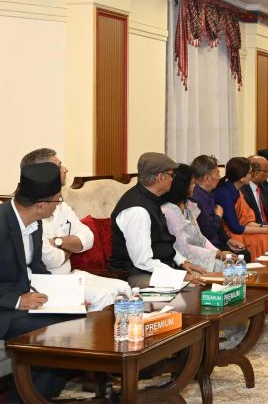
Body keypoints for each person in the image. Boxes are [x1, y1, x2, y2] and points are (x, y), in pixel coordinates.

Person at [0, 162, 83, 402]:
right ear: (41, 205)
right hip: (5, 308)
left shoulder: (34, 223)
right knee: (54, 331)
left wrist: (66, 295)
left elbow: (36, 269)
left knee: (76, 318)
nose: (59, 205)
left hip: (23, 301)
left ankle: (42, 396)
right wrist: (17, 301)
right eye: (58, 200)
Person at [20, 149, 129, 311]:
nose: (65, 169)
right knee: (102, 296)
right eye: (59, 166)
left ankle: (125, 327)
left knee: (124, 289)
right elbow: (51, 259)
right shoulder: (32, 209)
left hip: (71, 275)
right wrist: (71, 246)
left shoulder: (61, 204)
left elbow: (88, 237)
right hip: (47, 283)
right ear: (42, 173)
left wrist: (58, 242)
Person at [111, 152, 208, 288]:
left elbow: (160, 242)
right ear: (160, 177)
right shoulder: (138, 210)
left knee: (204, 278)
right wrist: (179, 276)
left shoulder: (151, 199)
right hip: (136, 275)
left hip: (157, 269)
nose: (173, 180)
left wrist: (182, 261)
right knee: (194, 286)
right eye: (172, 175)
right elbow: (142, 261)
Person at [161, 164, 226, 273]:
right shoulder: (169, 210)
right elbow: (182, 247)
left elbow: (199, 236)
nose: (195, 186)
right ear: (182, 187)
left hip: (200, 253)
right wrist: (216, 254)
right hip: (181, 261)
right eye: (192, 184)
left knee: (228, 264)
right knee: (223, 267)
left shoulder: (187, 204)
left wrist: (218, 252)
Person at [213, 157, 268, 258]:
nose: (252, 175)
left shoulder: (236, 190)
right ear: (242, 177)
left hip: (240, 230)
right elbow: (236, 228)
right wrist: (267, 230)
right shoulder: (224, 193)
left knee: (267, 236)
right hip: (229, 234)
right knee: (262, 238)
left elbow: (246, 221)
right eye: (250, 172)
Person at [189, 154, 250, 262]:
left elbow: (218, 228)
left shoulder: (209, 192)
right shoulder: (195, 198)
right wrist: (218, 216)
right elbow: (207, 232)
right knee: (242, 257)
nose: (219, 176)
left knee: (244, 253)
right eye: (217, 173)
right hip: (206, 248)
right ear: (207, 178)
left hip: (217, 242)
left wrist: (228, 241)